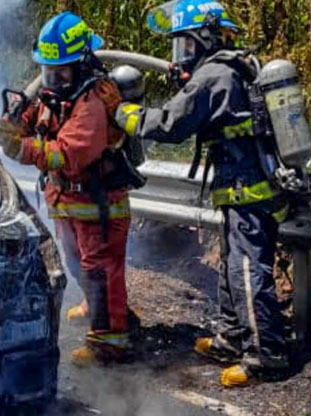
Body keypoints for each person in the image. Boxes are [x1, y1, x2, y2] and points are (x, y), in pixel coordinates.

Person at [114, 0, 290, 386]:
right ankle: (230, 338)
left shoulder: (213, 75)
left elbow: (172, 124)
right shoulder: (230, 69)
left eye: (186, 47)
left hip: (247, 188)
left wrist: (125, 114)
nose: (181, 57)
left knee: (248, 271)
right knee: (232, 263)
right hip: (239, 184)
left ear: (206, 39)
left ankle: (266, 355)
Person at [0, 11, 132, 365]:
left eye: (61, 71)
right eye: (48, 71)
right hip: (69, 199)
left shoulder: (93, 101)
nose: (52, 79)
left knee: (99, 269)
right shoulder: (61, 93)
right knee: (76, 262)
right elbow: (36, 116)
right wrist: (15, 122)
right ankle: (97, 309)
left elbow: (69, 154)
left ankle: (109, 343)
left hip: (98, 203)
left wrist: (20, 148)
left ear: (81, 63)